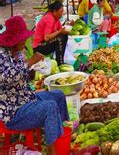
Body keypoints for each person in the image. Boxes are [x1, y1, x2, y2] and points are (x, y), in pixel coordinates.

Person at [0, 16, 69, 155]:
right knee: (50, 107)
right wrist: (31, 62)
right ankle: (52, 151)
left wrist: (31, 72)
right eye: (22, 38)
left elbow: (22, 75)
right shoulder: (1, 55)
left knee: (58, 95)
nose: (25, 41)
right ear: (14, 40)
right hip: (13, 113)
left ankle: (59, 135)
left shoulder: (18, 53)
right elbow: (7, 77)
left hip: (27, 99)